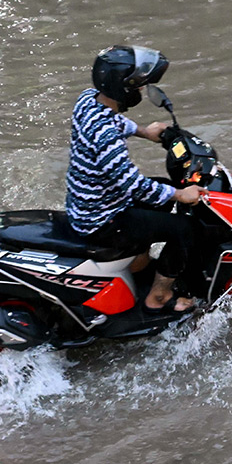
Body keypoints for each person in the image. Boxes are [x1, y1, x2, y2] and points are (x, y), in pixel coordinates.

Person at [65, 45, 204, 314]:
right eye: (137, 86)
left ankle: (137, 263)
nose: (140, 91)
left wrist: (143, 131)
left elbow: (107, 119)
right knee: (186, 228)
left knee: (163, 193)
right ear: (123, 88)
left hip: (91, 204)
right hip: (102, 220)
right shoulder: (106, 135)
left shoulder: (88, 99)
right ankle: (159, 297)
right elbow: (133, 185)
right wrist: (180, 195)